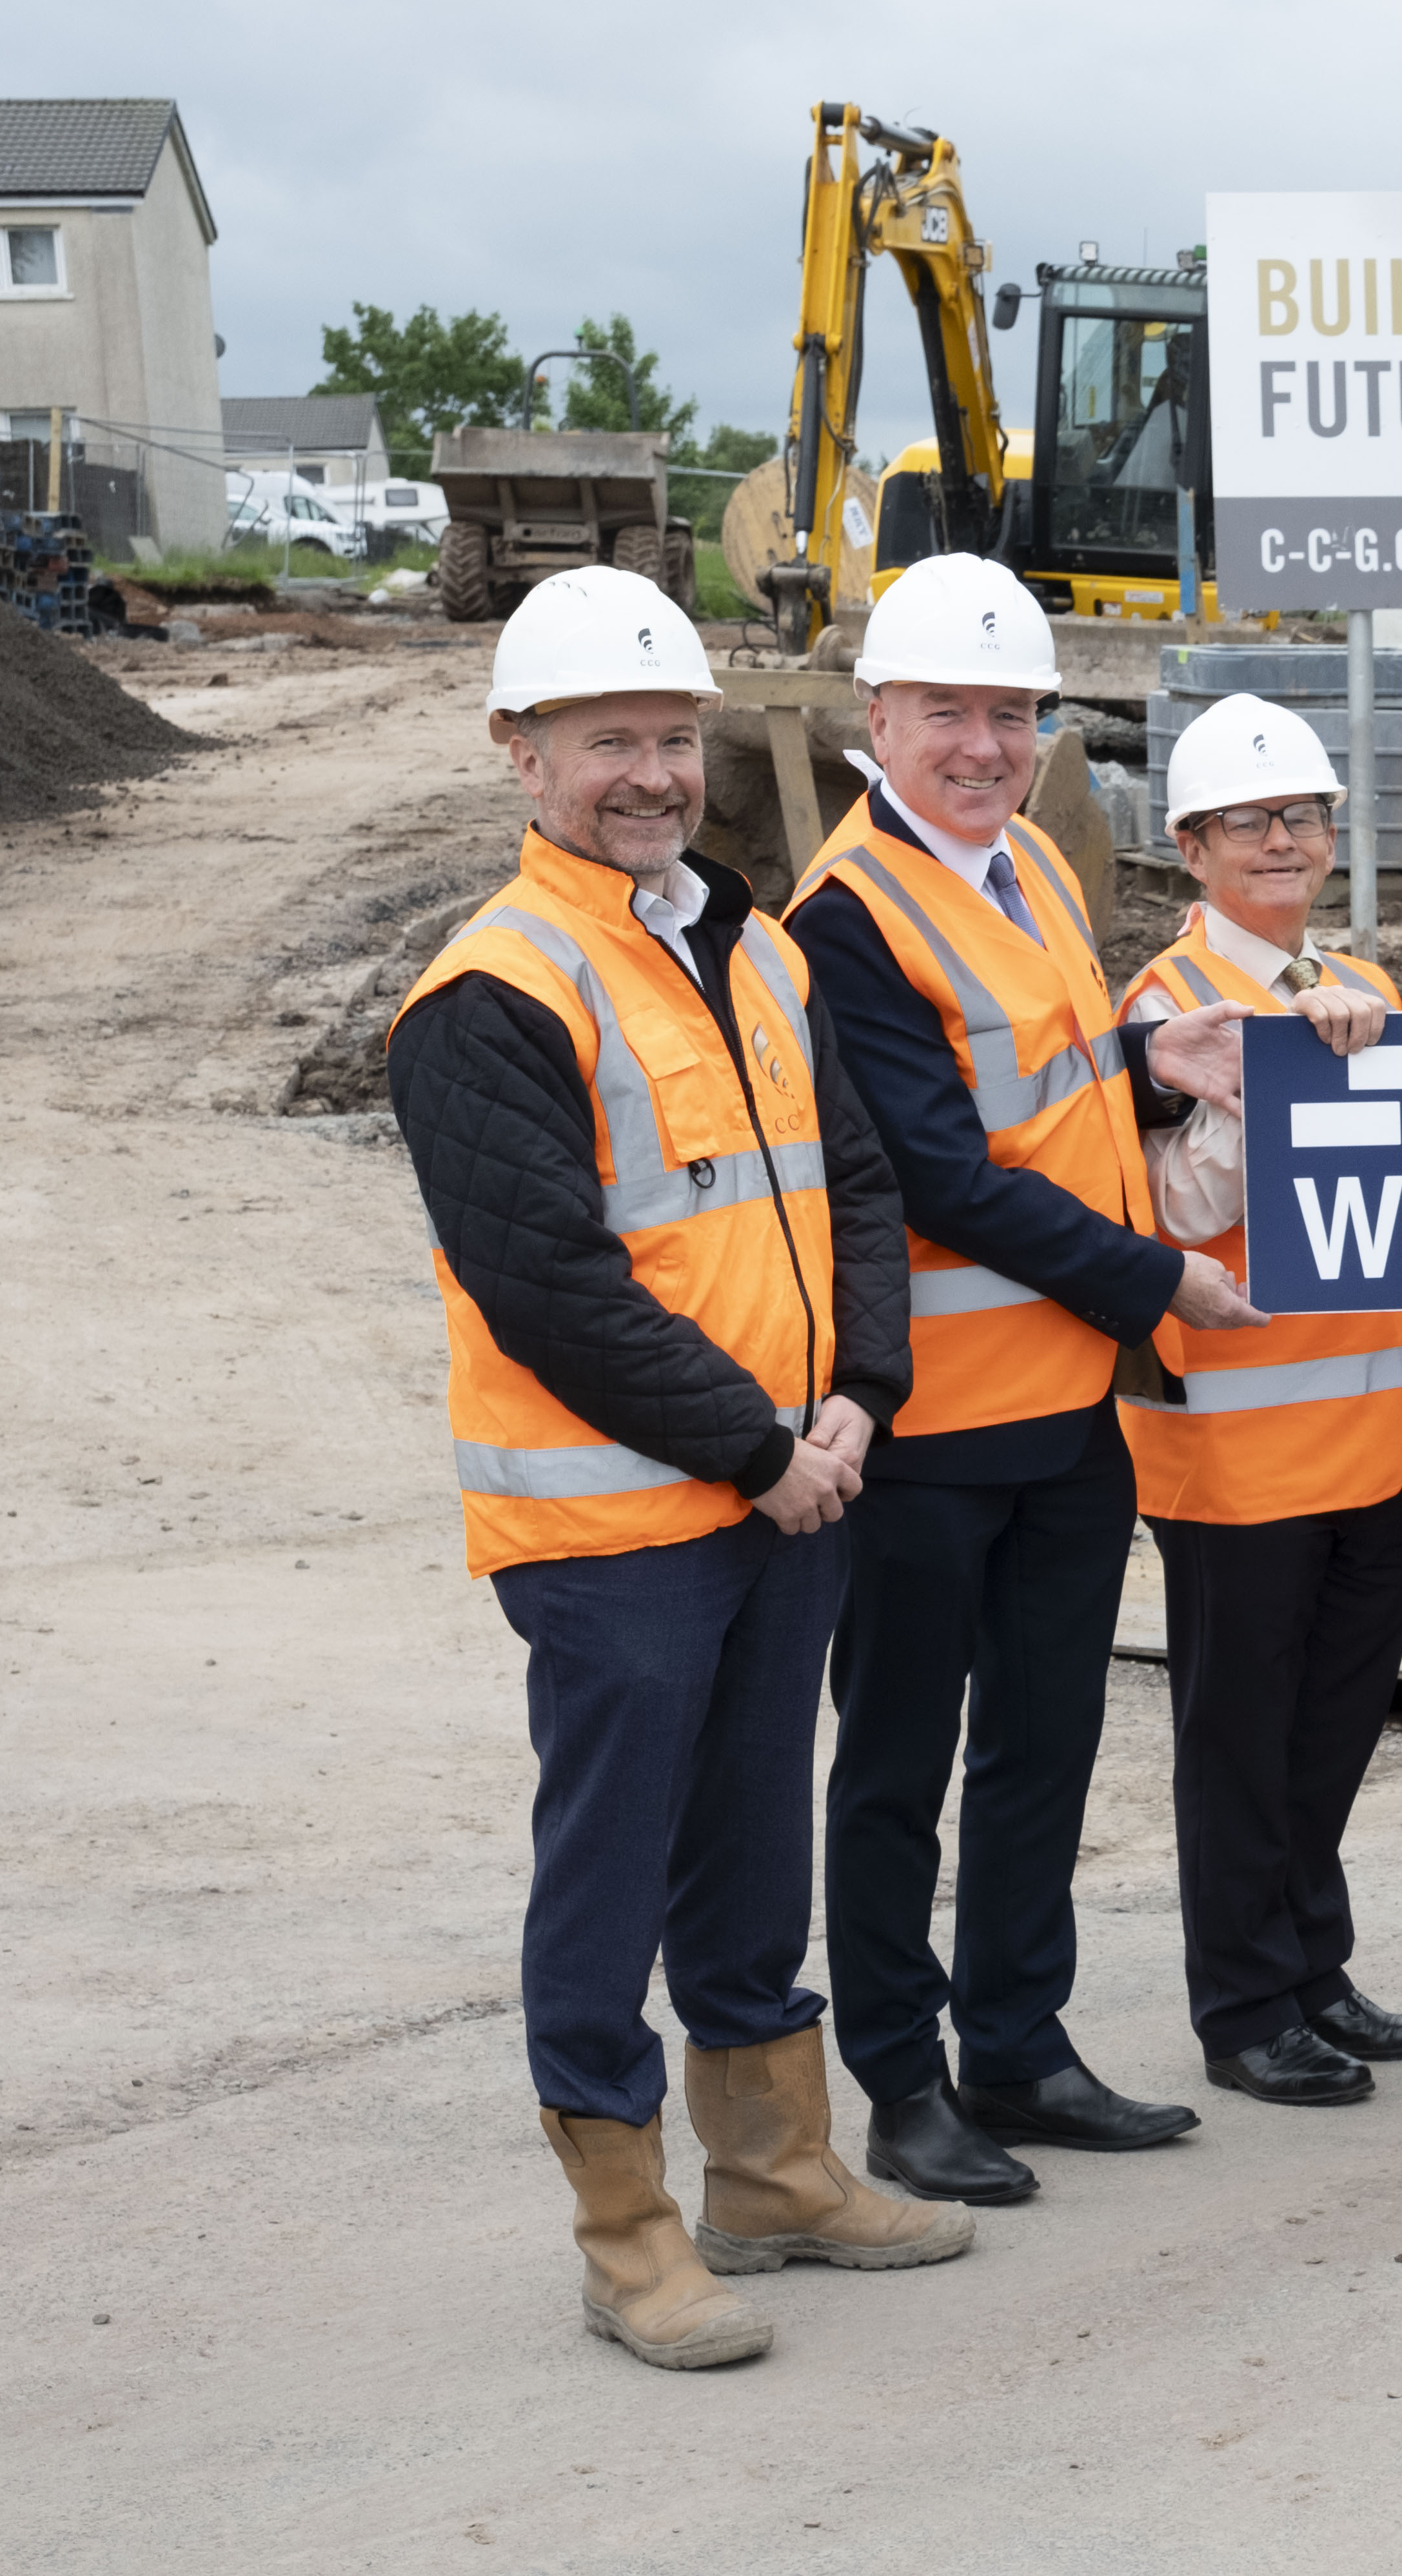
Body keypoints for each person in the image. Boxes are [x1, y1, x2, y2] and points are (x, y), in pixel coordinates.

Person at [388, 568, 968, 2370]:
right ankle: (627, 2229)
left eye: (671, 737)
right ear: (521, 753)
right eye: (607, 742)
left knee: (746, 1839)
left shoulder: (753, 942)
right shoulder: (487, 995)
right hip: (618, 1520)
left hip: (794, 1482)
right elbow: (551, 1282)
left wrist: (860, 1393)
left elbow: (852, 1185)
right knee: (613, 1864)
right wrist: (756, 1448)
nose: (650, 772)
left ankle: (777, 2175)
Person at [784, 555, 1252, 2203]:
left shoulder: (1033, 870)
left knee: (1044, 1743)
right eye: (950, 714)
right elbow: (935, 1172)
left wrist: (1145, 1063)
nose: (983, 743)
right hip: (926, 1432)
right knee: (903, 1760)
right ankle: (903, 2081)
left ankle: (1022, 2047)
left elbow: (1039, 1097)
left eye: (1011, 713)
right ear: (879, 719)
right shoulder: (842, 920)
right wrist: (1159, 1276)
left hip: (1064, 1414)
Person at [1117, 694, 1402, 2107]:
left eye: (1301, 819)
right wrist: (1288, 1083)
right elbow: (1174, 1208)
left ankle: (1315, 1965)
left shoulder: (1359, 981)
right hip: (1236, 1449)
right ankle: (1244, 2001)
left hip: (1371, 1437)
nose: (1280, 841)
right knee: (1240, 1740)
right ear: (1191, 847)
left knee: (1333, 1725)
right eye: (1249, 822)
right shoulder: (1160, 1010)